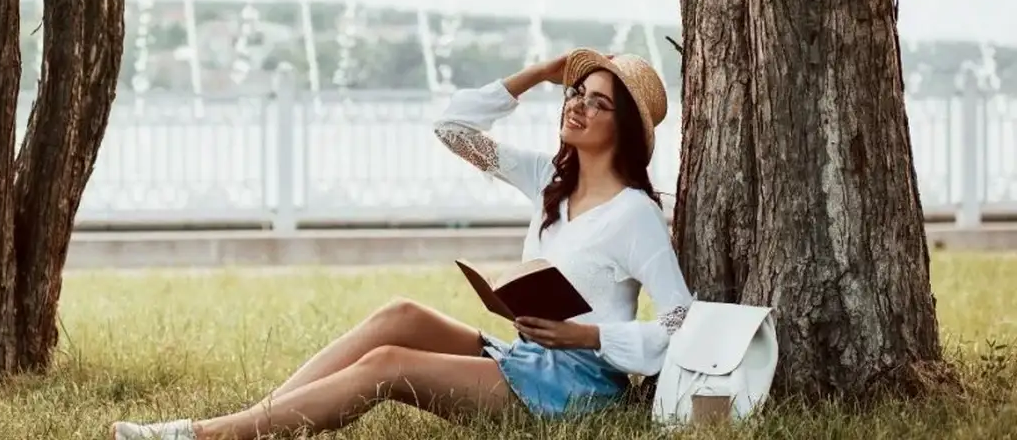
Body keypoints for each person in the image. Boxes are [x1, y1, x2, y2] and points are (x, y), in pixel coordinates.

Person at [111, 49, 693, 440]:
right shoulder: (547, 178)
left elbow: (679, 325)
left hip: (578, 385)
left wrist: (587, 334)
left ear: (626, 131)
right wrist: (539, 73)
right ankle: (261, 421)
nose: (578, 105)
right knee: (400, 315)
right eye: (576, 92)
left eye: (599, 102)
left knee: (388, 366)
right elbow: (453, 129)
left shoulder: (636, 215)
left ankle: (205, 436)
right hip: (530, 358)